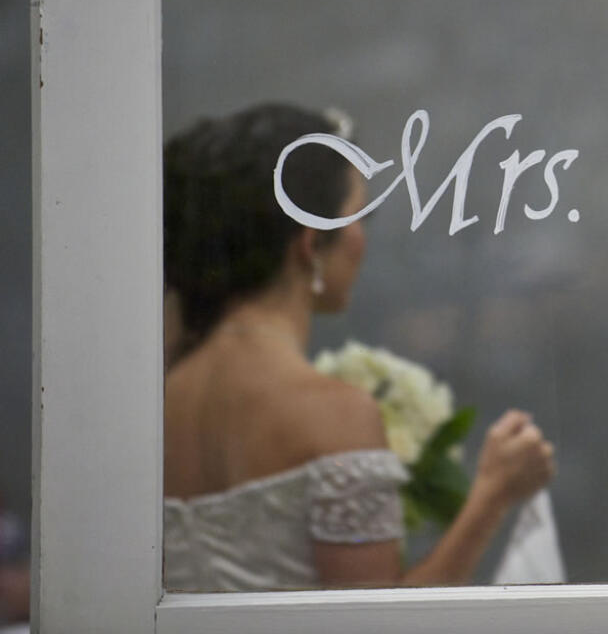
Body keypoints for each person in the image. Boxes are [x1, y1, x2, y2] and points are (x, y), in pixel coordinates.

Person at [162, 103, 555, 591]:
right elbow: (377, 625)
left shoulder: (159, 397)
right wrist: (493, 495)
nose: (362, 238)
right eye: (357, 215)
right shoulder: (332, 414)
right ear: (309, 244)